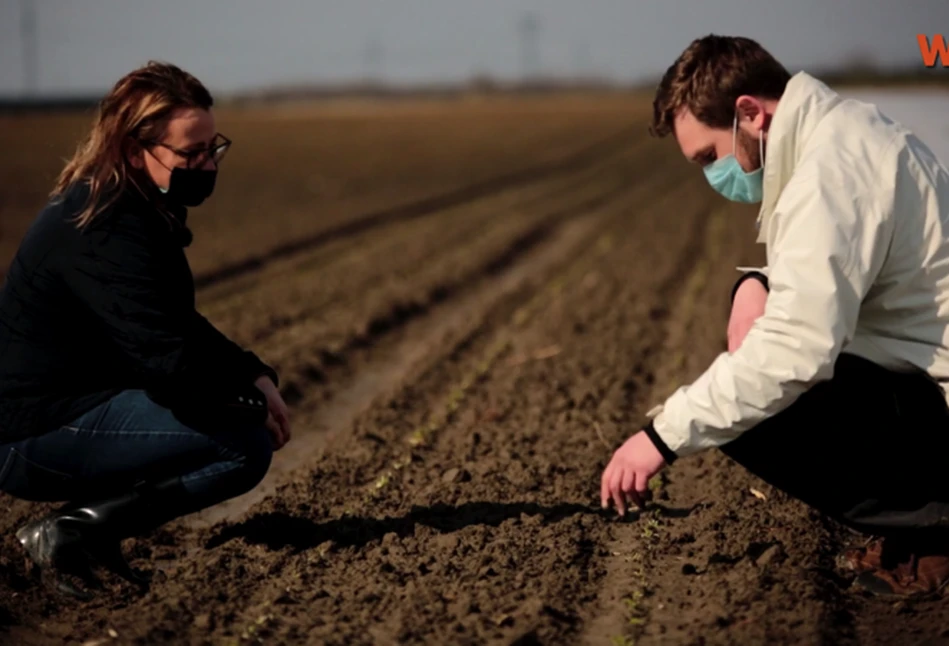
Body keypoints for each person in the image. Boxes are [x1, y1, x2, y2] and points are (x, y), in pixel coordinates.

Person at [600, 34, 949, 598]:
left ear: (748, 113)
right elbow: (831, 272)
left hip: (936, 397)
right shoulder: (839, 135)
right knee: (752, 359)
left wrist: (659, 438)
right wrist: (756, 282)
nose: (712, 175)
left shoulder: (828, 172)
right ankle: (917, 523)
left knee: (758, 411)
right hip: (919, 373)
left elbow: (797, 350)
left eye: (709, 157)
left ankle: (932, 527)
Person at [0, 61, 291, 599]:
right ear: (137, 151)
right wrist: (244, 405)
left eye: (213, 148)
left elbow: (175, 324)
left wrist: (253, 374)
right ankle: (67, 533)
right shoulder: (105, 227)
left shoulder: (133, 204)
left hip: (76, 400)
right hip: (27, 428)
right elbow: (166, 359)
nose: (206, 165)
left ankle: (94, 540)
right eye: (191, 153)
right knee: (241, 448)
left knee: (213, 421)